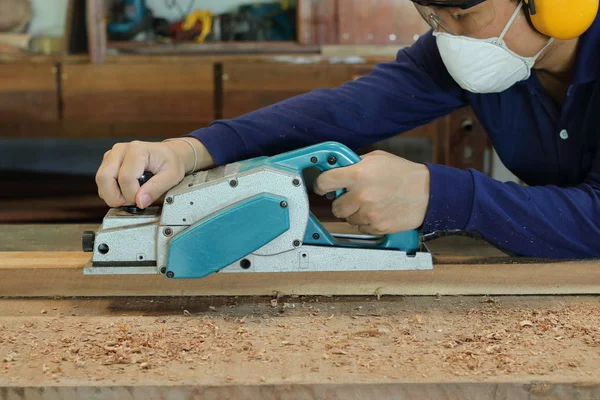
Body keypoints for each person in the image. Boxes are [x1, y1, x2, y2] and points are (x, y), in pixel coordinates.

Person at [95, 0, 600, 258]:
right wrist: (192, 149)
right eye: (432, 16)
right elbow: (341, 112)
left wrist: (442, 195)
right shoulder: (474, 54)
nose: (448, 36)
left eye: (463, 14)